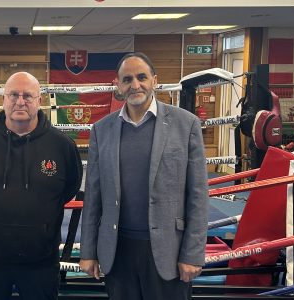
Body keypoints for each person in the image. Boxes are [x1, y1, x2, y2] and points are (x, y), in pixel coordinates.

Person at [79, 52, 208, 300]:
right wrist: (88, 250)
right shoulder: (101, 130)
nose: (135, 85)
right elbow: (93, 196)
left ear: (154, 81)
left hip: (168, 251)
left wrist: (192, 254)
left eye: (142, 77)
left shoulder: (186, 124)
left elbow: (198, 195)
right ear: (118, 85)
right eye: (127, 79)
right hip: (118, 251)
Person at [0, 72, 83, 300]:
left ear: (40, 101)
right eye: (13, 95)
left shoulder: (62, 146)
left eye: (28, 95)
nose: (20, 101)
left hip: (41, 263)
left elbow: (69, 189)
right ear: (3, 99)